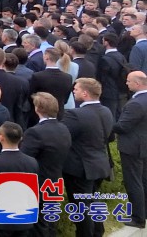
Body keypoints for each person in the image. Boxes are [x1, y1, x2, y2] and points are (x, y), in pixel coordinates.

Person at [62, 78, 114, 237]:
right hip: (100, 164)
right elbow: (109, 136)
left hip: (80, 168)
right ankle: (98, 232)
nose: (73, 91)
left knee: (81, 207)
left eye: (76, 89)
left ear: (85, 93)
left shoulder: (74, 115)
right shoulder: (106, 111)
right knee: (92, 201)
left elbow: (63, 136)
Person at [20, 92, 72, 237]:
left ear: (37, 109)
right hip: (55, 180)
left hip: (39, 183)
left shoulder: (35, 132)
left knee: (39, 225)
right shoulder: (64, 128)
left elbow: (24, 158)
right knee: (50, 222)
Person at [113, 71, 147, 230]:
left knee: (133, 181)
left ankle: (138, 217)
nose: (126, 83)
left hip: (132, 147)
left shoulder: (135, 104)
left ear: (138, 84)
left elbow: (122, 126)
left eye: (128, 81)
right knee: (143, 179)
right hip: (143, 145)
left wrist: (106, 123)